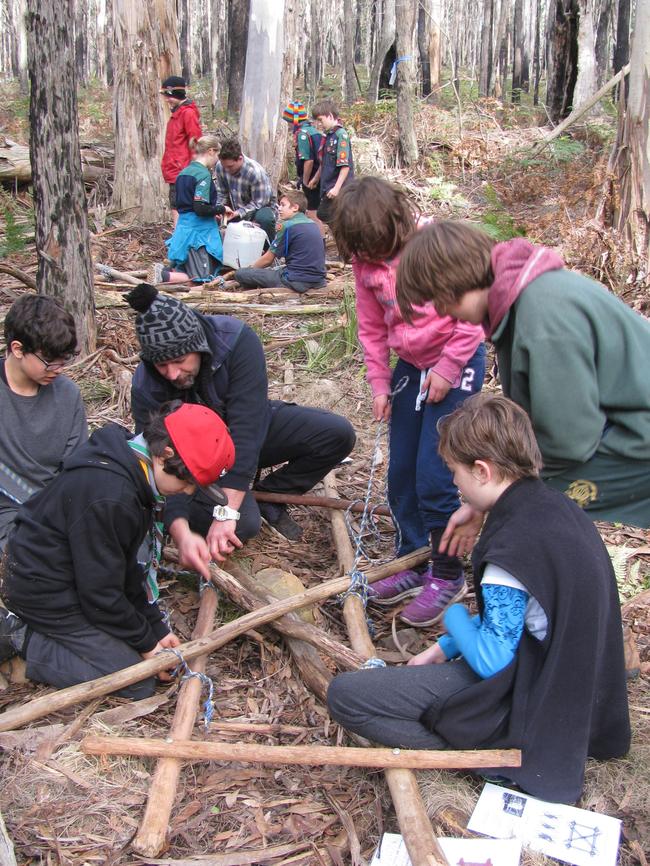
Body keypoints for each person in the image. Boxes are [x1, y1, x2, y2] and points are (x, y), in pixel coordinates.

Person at [327, 393, 631, 804]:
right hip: (579, 684)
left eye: (455, 472)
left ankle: (474, 754)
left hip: (533, 694)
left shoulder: (510, 549)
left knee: (346, 697)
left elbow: (492, 659)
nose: (454, 483)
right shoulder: (553, 506)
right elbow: (516, 617)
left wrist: (452, 617)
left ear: (482, 471)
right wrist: (444, 647)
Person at [396, 220, 650, 529]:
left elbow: (570, 442)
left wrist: (495, 495)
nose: (442, 311)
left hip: (638, 436)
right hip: (623, 427)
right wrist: (486, 497)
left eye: (437, 299)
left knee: (531, 506)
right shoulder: (516, 304)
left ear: (451, 281)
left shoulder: (542, 318)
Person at [330, 178, 485, 626]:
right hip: (411, 364)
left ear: (395, 224)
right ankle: (413, 559)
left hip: (456, 354)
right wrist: (380, 383)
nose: (373, 258)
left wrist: (448, 368)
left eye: (379, 247)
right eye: (364, 251)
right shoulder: (365, 263)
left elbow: (474, 314)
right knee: (401, 472)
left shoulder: (432, 243)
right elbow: (372, 328)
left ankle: (447, 571)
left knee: (436, 472)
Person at [0, 402, 235, 696]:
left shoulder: (130, 466)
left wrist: (156, 630)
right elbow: (101, 594)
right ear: (165, 455)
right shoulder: (112, 496)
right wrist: (147, 645)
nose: (187, 492)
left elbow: (124, 569)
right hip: (43, 589)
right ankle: (18, 637)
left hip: (74, 576)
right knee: (136, 681)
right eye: (187, 482)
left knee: (137, 655)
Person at [127, 284, 356, 563]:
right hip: (194, 464)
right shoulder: (147, 385)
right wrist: (180, 529)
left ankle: (270, 496)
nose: (172, 374)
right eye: (162, 366)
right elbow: (159, 469)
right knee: (246, 525)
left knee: (336, 434)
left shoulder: (234, 342)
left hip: (240, 432)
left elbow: (248, 429)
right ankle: (236, 503)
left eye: (179, 360)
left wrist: (227, 511)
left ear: (197, 347)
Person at [0, 294, 87, 553]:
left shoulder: (68, 395)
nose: (58, 369)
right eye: (50, 361)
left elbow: (76, 467)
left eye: (64, 360)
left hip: (56, 507)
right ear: (17, 349)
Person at [148, 135, 225, 286]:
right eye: (217, 155)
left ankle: (168, 274)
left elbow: (178, 202)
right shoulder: (203, 175)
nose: (217, 160)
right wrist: (220, 208)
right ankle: (162, 275)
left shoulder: (184, 173)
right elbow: (200, 207)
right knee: (200, 278)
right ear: (211, 151)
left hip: (183, 229)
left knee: (185, 268)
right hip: (198, 234)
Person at [233, 190, 326, 293]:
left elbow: (268, 260)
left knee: (240, 274)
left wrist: (250, 269)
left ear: (295, 207)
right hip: (319, 280)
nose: (279, 208)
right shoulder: (313, 224)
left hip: (295, 281)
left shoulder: (287, 226)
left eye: (283, 205)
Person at [214, 138, 277, 242]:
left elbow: (259, 203)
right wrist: (219, 209)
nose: (227, 170)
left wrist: (238, 213)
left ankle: (269, 250)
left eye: (230, 167)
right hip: (235, 207)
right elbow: (222, 192)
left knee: (265, 218)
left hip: (259, 208)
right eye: (225, 167)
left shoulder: (255, 173)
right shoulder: (221, 166)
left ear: (240, 158)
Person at [160, 75, 203, 226]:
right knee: (175, 204)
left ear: (177, 94)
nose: (167, 100)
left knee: (180, 207)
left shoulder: (187, 113)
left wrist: (193, 169)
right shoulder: (177, 113)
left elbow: (196, 142)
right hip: (175, 169)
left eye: (169, 96)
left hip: (182, 171)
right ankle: (179, 237)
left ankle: (181, 239)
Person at [308, 100, 354, 227]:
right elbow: (325, 162)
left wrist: (337, 188)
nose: (319, 124)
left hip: (340, 188)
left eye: (320, 120)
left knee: (326, 214)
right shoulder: (328, 136)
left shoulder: (341, 135)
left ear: (329, 115)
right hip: (327, 185)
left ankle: (345, 240)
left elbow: (344, 166)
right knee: (326, 215)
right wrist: (316, 178)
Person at [281, 99, 324, 232]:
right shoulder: (314, 131)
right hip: (319, 177)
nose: (287, 125)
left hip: (312, 180)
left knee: (312, 214)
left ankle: (319, 244)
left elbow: (308, 160)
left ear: (294, 121)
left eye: (288, 121)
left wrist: (305, 181)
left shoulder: (302, 134)